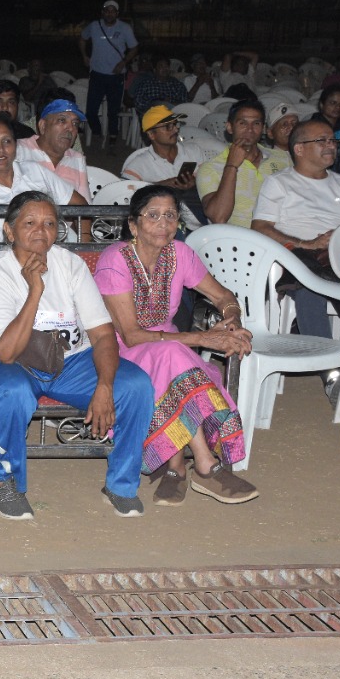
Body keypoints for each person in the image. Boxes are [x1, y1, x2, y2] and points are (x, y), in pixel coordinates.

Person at [0, 191, 153, 519]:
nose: (41, 230)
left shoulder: (70, 264)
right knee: (14, 391)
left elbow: (101, 333)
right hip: (6, 363)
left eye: (49, 223)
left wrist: (105, 386)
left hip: (70, 362)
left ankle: (121, 485)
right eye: (30, 223)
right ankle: (5, 483)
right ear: (10, 231)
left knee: (135, 385)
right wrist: (35, 289)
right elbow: (6, 352)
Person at [94, 185, 259, 506]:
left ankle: (176, 467)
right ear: (133, 225)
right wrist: (203, 338)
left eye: (170, 216)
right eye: (152, 216)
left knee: (172, 357)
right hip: (119, 351)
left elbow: (224, 296)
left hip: (169, 349)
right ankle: (207, 466)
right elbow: (130, 334)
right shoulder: (114, 260)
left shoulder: (180, 254)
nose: (163, 224)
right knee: (173, 356)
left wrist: (232, 321)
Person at [252, 119, 340, 365]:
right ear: (299, 149)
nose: (330, 145)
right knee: (310, 284)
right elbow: (260, 228)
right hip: (298, 255)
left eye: (332, 140)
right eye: (321, 140)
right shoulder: (280, 183)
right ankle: (327, 366)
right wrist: (307, 243)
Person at [0, 114, 80, 240]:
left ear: (16, 146)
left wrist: (84, 242)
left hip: (53, 253)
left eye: (7, 141)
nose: (0, 149)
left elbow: (80, 204)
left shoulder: (36, 171)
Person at [196, 100, 290, 227]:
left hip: (285, 234)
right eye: (243, 123)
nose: (250, 130)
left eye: (256, 123)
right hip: (240, 242)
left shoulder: (283, 158)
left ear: (263, 128)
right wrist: (231, 165)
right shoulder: (211, 168)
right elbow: (219, 217)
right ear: (229, 127)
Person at [121, 105, 206, 225]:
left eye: (176, 124)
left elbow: (212, 182)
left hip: (200, 214)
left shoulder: (194, 151)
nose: (176, 130)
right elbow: (122, 196)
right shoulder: (139, 164)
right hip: (162, 224)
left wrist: (196, 182)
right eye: (168, 127)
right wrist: (161, 186)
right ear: (151, 134)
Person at [78, 0, 139, 148]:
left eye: (113, 11)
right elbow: (82, 38)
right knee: (91, 111)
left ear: (117, 13)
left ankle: (113, 136)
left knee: (113, 111)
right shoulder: (94, 26)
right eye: (107, 10)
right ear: (103, 12)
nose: (109, 13)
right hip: (97, 74)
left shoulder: (124, 28)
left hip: (116, 76)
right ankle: (98, 133)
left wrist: (123, 62)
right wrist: (84, 55)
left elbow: (134, 48)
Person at [16, 98, 91, 200]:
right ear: (43, 126)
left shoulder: (77, 159)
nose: (70, 128)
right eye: (62, 120)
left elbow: (86, 209)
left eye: (75, 123)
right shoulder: (19, 150)